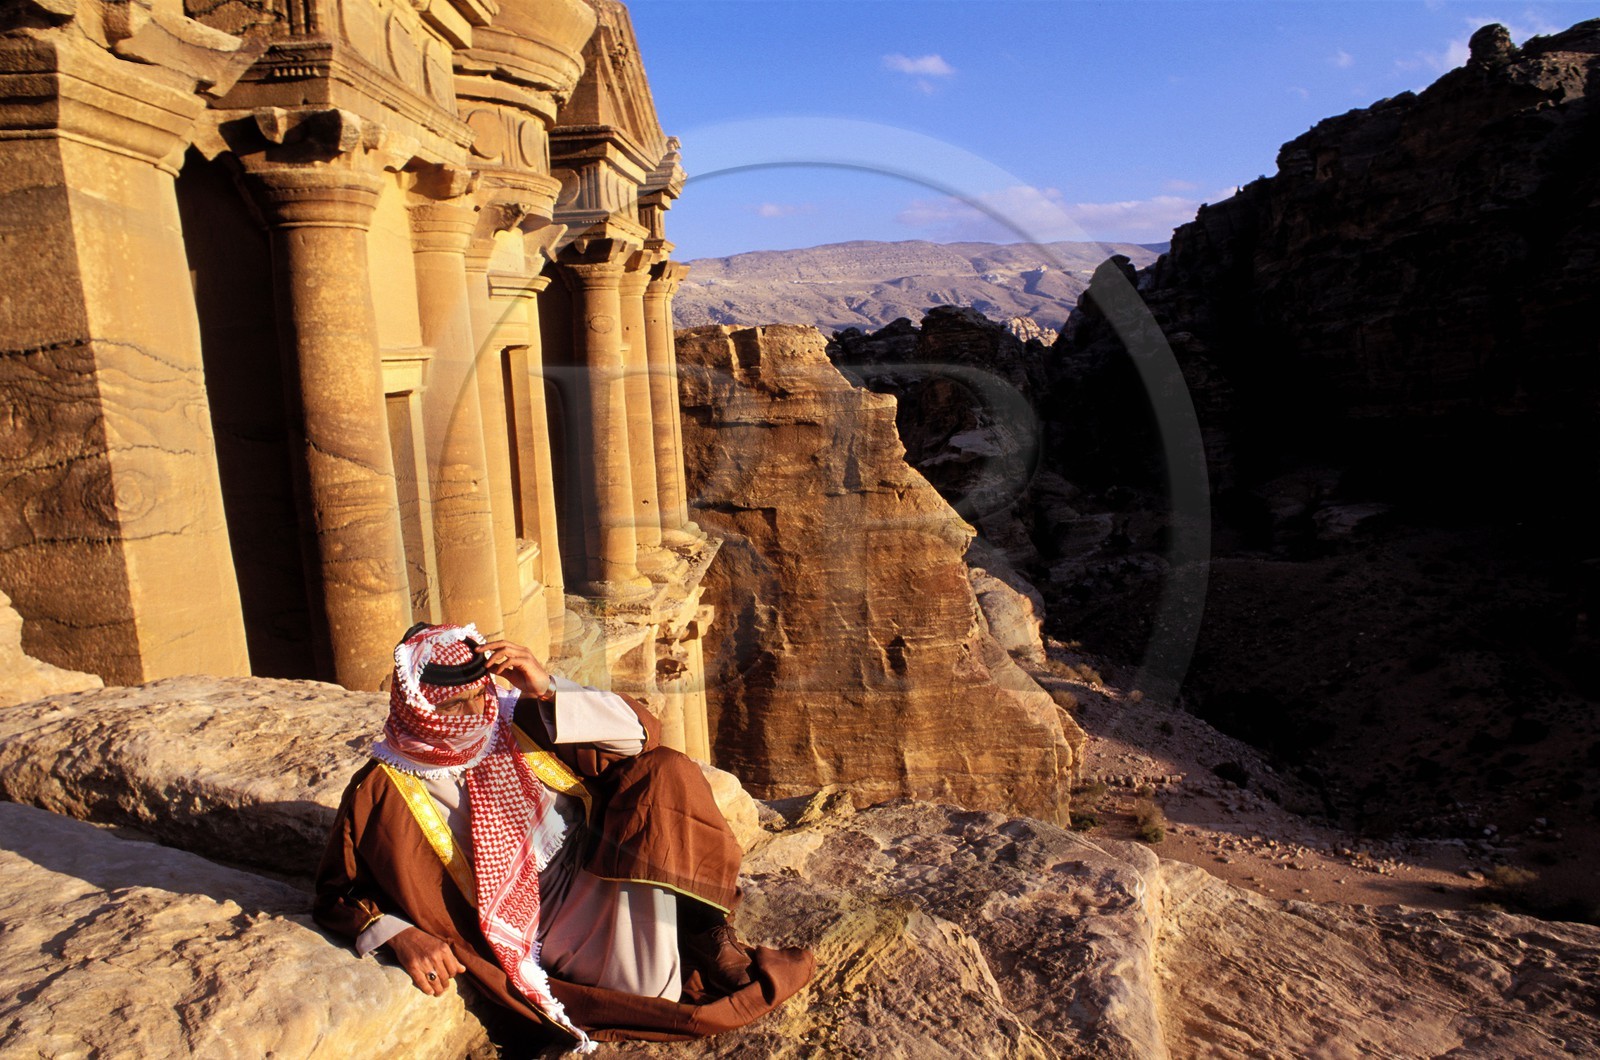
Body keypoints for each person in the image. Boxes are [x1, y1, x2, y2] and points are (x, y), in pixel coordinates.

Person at [313, 622, 813, 1051]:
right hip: (537, 920)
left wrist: (547, 688)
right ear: (418, 707)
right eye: (455, 706)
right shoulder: (382, 787)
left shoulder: (514, 715)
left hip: (601, 855)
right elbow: (339, 890)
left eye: (477, 695)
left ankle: (706, 931)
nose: (473, 714)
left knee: (665, 771)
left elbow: (641, 736)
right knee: (656, 996)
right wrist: (401, 934)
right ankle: (680, 937)